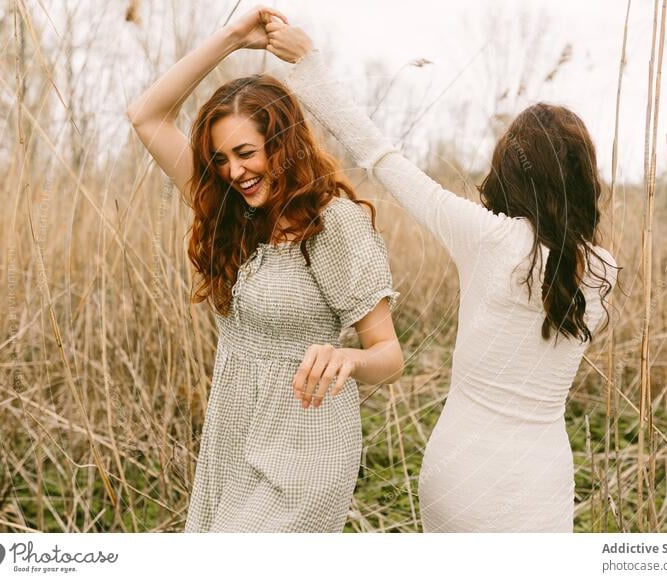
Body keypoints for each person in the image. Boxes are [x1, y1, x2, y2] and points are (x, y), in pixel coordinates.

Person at [265, 17, 621, 532]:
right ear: (585, 179)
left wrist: (309, 64)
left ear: (509, 170)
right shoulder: (603, 270)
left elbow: (380, 155)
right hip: (540, 483)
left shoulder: (487, 238)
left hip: (459, 477)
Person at [126, 6, 404, 532]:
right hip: (232, 440)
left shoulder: (333, 224)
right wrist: (232, 38)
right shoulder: (229, 211)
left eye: (246, 152)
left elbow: (389, 357)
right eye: (222, 159)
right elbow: (146, 115)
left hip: (308, 452)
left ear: (284, 142)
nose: (235, 171)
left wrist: (345, 357)